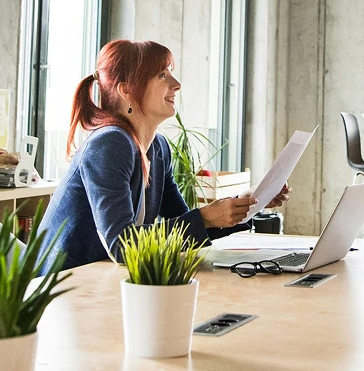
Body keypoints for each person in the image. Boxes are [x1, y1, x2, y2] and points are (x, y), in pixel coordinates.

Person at [40, 39, 289, 270]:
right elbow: (122, 245)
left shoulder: (158, 148)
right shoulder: (109, 144)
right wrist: (206, 218)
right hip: (65, 286)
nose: (176, 84)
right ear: (127, 89)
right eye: (162, 75)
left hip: (103, 279)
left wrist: (244, 204)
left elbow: (184, 225)